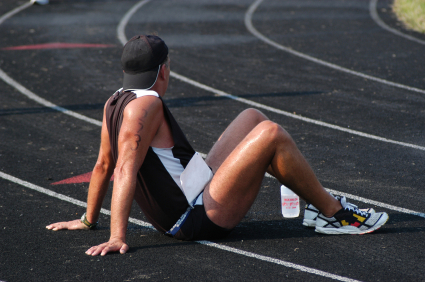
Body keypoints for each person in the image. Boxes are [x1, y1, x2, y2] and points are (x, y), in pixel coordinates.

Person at [46, 35, 389, 256]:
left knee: (252, 117)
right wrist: (117, 235)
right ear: (164, 70)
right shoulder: (147, 105)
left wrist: (88, 220)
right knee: (270, 133)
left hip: (195, 189)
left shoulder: (114, 101)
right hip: (193, 216)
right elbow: (122, 168)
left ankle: (319, 205)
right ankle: (333, 213)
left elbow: (103, 164)